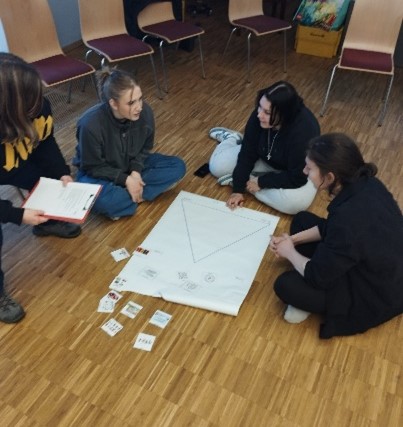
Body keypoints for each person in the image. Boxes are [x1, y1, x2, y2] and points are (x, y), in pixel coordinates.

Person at [270, 133, 403, 339]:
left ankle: (310, 304)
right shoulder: (368, 183)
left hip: (373, 291)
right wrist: (292, 240)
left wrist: (289, 252)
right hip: (381, 264)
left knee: (285, 285)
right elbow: (331, 228)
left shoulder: (348, 220)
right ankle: (306, 282)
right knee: (301, 220)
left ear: (330, 177)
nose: (305, 171)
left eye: (310, 168)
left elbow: (317, 275)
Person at [0, 53, 82, 323]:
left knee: (48, 178)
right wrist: (17, 215)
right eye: (31, 99)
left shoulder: (39, 106)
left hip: (16, 161)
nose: (40, 102)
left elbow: (45, 143)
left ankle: (46, 223)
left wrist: (61, 173)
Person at [73, 68, 186, 219]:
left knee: (177, 166)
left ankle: (128, 196)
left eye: (140, 99)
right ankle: (134, 193)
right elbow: (92, 167)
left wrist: (135, 172)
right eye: (131, 102)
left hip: (129, 166)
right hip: (98, 173)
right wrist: (125, 179)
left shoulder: (145, 112)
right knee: (107, 201)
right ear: (114, 103)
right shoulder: (89, 124)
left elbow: (145, 149)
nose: (139, 107)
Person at [208, 81, 320, 215]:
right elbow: (247, 154)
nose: (259, 115)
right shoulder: (260, 116)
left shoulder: (305, 132)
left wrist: (262, 182)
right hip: (264, 158)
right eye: (259, 107)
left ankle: (248, 182)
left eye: (267, 112)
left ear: (284, 115)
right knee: (216, 167)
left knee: (295, 205)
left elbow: (297, 177)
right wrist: (237, 190)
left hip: (297, 171)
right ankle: (232, 139)